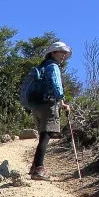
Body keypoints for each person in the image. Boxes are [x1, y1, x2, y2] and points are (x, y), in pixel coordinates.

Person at [29, 40, 72, 181]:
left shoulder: (41, 66)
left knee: (43, 134)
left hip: (36, 105)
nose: (64, 55)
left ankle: (34, 167)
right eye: (62, 52)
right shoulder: (53, 67)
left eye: (65, 53)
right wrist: (62, 102)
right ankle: (39, 169)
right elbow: (56, 85)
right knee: (46, 134)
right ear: (53, 52)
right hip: (48, 104)